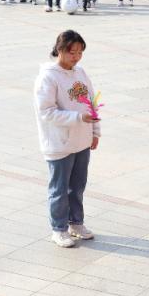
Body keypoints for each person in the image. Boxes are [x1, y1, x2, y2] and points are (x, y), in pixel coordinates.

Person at [34, 30, 99, 248]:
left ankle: (76, 223)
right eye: (72, 52)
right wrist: (78, 118)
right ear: (60, 50)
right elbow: (46, 112)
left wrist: (95, 132)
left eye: (80, 52)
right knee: (59, 189)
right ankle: (58, 229)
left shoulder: (80, 72)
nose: (76, 57)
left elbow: (92, 102)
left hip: (82, 141)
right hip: (59, 143)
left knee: (77, 186)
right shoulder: (48, 77)